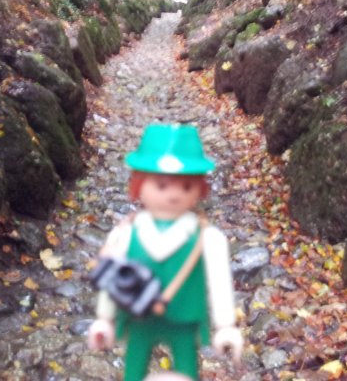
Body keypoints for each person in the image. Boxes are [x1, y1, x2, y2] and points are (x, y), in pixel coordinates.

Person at [87, 123, 243, 381]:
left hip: (184, 318)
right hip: (139, 316)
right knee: (133, 369)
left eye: (185, 186)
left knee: (187, 369)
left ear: (200, 189)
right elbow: (112, 276)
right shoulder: (126, 233)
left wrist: (225, 325)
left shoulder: (207, 237)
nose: (173, 195)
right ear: (138, 185)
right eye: (161, 186)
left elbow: (219, 282)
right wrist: (105, 318)